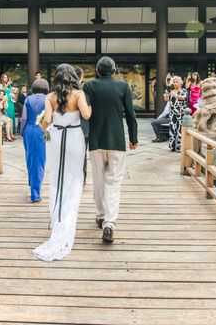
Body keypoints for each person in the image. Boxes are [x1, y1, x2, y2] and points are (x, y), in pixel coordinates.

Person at [34, 64, 91, 261]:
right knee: (75, 178)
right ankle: (68, 219)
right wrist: (90, 106)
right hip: (75, 138)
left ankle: (57, 219)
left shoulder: (50, 97)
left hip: (56, 138)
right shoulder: (78, 94)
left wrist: (41, 128)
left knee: (57, 176)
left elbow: (47, 120)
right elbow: (86, 115)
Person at [83, 56, 138, 244]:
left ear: (97, 70)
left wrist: (83, 138)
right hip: (117, 140)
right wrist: (133, 138)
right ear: (113, 70)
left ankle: (100, 215)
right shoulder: (123, 86)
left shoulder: (89, 87)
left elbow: (85, 115)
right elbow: (131, 114)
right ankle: (109, 224)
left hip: (96, 140)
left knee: (98, 180)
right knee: (113, 182)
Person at [21, 79, 49, 202]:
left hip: (29, 130)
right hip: (42, 130)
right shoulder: (48, 99)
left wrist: (22, 132)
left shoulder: (28, 99)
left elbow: (23, 118)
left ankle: (32, 185)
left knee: (30, 158)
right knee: (40, 160)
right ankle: (35, 193)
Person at [168, 76, 187, 152]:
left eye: (177, 82)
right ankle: (172, 146)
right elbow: (167, 100)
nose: (175, 83)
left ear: (180, 83)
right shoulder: (172, 91)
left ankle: (179, 147)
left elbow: (184, 98)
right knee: (172, 128)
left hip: (180, 112)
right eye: (174, 82)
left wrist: (175, 95)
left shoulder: (184, 91)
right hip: (172, 113)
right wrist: (166, 95)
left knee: (179, 129)